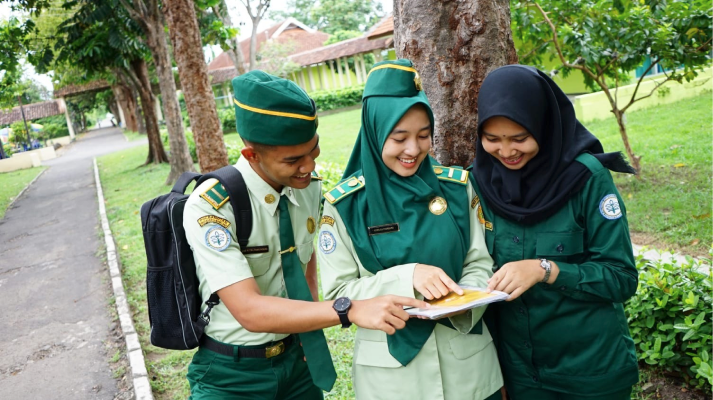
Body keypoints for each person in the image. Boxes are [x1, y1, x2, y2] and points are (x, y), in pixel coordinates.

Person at [183, 70, 428, 400]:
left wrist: (308, 335)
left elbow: (304, 268)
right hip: (231, 374)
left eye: (313, 151)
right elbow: (249, 311)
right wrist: (347, 309)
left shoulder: (307, 190)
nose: (310, 166)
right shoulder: (213, 206)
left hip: (297, 360)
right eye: (293, 159)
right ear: (251, 155)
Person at [318, 59, 504, 400]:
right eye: (399, 137)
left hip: (468, 367)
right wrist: (410, 276)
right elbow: (337, 294)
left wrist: (465, 299)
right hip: (391, 380)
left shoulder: (457, 189)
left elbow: (479, 261)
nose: (413, 150)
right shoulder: (345, 206)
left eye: (423, 135)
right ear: (374, 135)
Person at [470, 65, 639, 399]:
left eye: (520, 138)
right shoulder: (477, 183)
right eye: (492, 139)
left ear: (545, 125)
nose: (506, 151)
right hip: (520, 375)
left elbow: (621, 278)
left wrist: (546, 270)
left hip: (591, 372)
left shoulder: (587, 179)